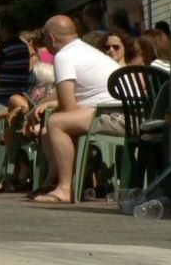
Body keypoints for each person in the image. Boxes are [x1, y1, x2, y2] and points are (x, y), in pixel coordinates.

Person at [32, 15, 120, 203]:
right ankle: (58, 181)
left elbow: (67, 106)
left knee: (56, 122)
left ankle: (65, 188)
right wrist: (49, 104)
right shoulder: (86, 51)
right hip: (128, 112)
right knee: (51, 128)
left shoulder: (64, 56)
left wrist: (50, 107)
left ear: (52, 37)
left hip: (113, 114)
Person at [0, 14, 30, 106]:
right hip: (21, 92)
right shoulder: (23, 46)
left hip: (5, 93)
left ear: (4, 29)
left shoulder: (4, 46)